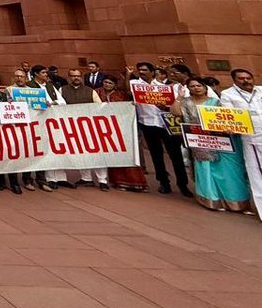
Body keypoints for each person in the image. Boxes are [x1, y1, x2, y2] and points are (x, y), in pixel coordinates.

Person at [171, 76, 251, 213]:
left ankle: (236, 203)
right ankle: (212, 200)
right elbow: (176, 112)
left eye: (199, 85)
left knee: (228, 171)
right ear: (188, 89)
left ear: (205, 87)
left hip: (221, 140)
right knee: (206, 170)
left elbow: (228, 119)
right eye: (193, 86)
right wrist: (179, 97)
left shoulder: (217, 102)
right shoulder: (187, 102)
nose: (196, 88)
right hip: (200, 139)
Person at [131, 61, 192, 196]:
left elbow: (176, 104)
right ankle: (163, 182)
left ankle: (183, 184)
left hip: (167, 123)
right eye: (139, 70)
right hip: (148, 123)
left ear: (153, 72)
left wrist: (165, 107)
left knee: (175, 155)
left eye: (145, 70)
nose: (141, 72)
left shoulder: (168, 87)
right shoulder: (135, 85)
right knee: (156, 155)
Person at [217, 68, 262, 218]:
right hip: (252, 139)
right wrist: (230, 127)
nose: (246, 81)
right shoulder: (228, 94)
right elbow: (229, 116)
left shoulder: (260, 90)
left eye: (248, 78)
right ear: (235, 80)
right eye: (241, 78)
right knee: (257, 175)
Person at [58, 69, 109, 190]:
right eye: (73, 76)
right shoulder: (62, 90)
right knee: (81, 152)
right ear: (69, 77)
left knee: (97, 154)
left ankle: (102, 180)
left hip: (90, 126)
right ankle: (86, 178)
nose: (76, 78)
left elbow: (100, 107)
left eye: (78, 76)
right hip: (72, 127)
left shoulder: (90, 91)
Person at [97, 76, 148, 192]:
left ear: (115, 85)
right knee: (112, 153)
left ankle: (135, 182)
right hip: (104, 128)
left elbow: (130, 103)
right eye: (105, 82)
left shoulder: (122, 95)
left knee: (127, 153)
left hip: (122, 127)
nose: (107, 85)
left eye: (110, 83)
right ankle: (118, 181)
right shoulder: (97, 92)